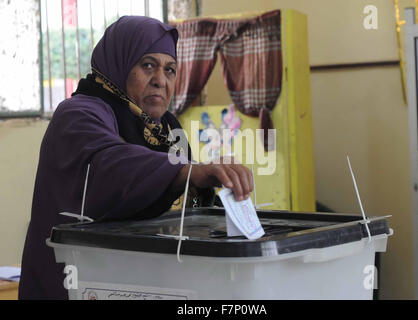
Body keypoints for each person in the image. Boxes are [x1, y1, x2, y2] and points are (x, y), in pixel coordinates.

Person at [19, 16, 253, 300]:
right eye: (148, 65)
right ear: (119, 62)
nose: (160, 81)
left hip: (142, 282)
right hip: (77, 281)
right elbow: (110, 165)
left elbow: (186, 206)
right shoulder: (78, 114)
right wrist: (187, 172)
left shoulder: (167, 128)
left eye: (170, 70)